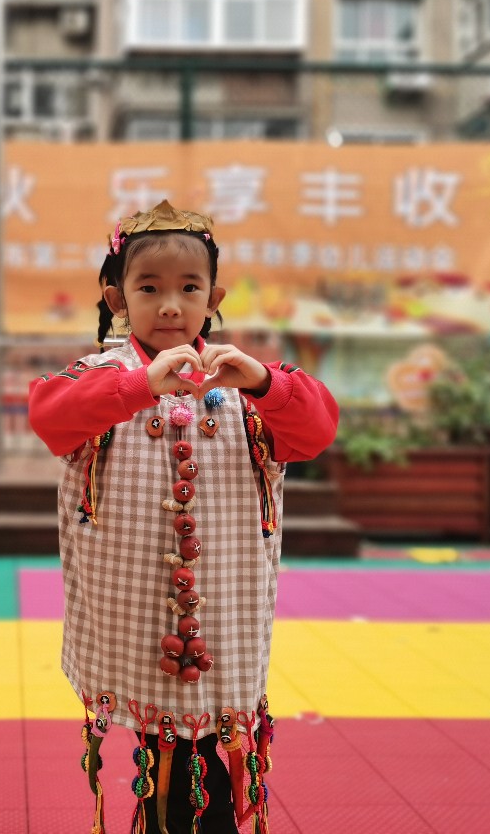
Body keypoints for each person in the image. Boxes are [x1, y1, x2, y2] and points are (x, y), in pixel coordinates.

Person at [27, 199, 338, 834]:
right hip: (130, 616)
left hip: (222, 621)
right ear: (117, 299)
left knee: (198, 766)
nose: (170, 305)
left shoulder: (245, 384)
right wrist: (139, 387)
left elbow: (316, 429)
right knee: (168, 759)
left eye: (189, 288)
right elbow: (49, 416)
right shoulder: (101, 377)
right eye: (149, 288)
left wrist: (265, 384)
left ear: (213, 297)